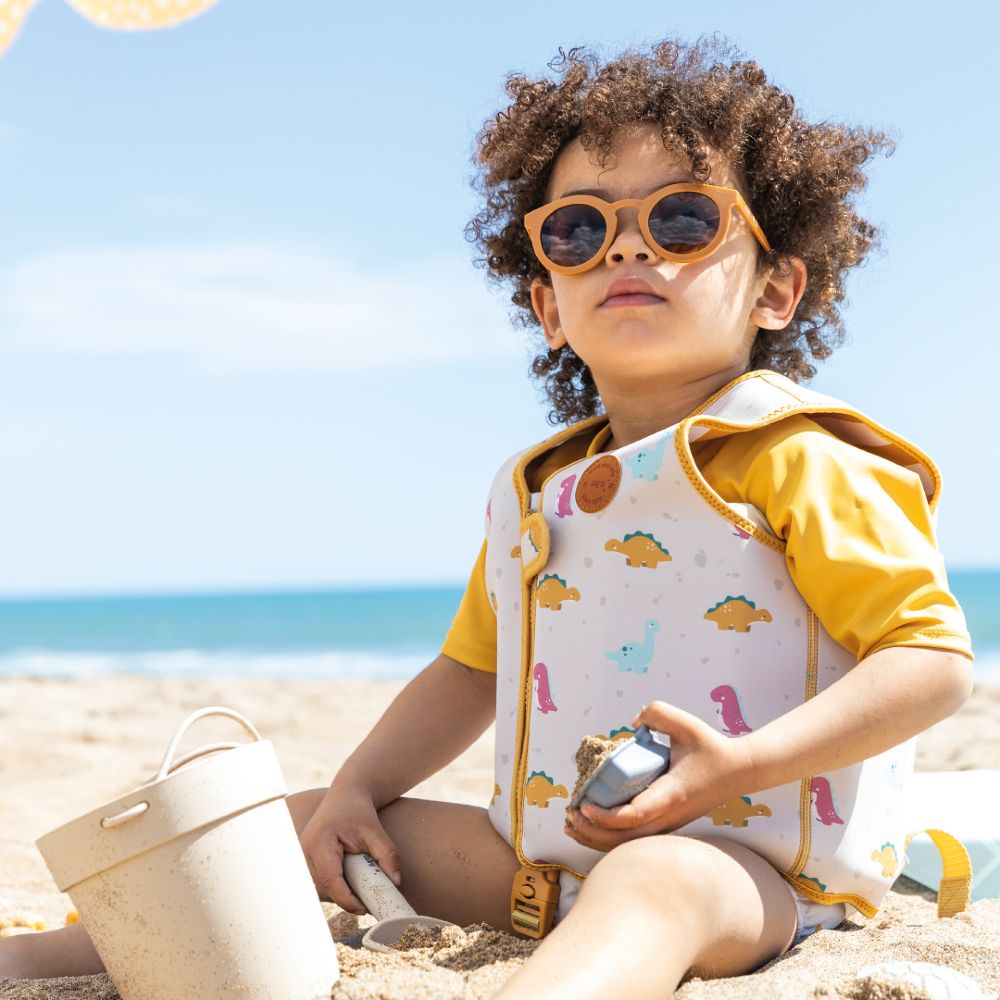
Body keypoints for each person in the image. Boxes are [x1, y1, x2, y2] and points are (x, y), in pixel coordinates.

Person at [0, 35, 975, 998]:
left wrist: (741, 763)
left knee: (655, 880)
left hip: (751, 878)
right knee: (284, 831)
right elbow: (470, 669)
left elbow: (926, 664)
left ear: (775, 288)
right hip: (530, 868)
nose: (628, 245)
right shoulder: (534, 489)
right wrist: (356, 788)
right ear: (549, 306)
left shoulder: (802, 457)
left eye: (681, 218)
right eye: (579, 231)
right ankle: (29, 964)